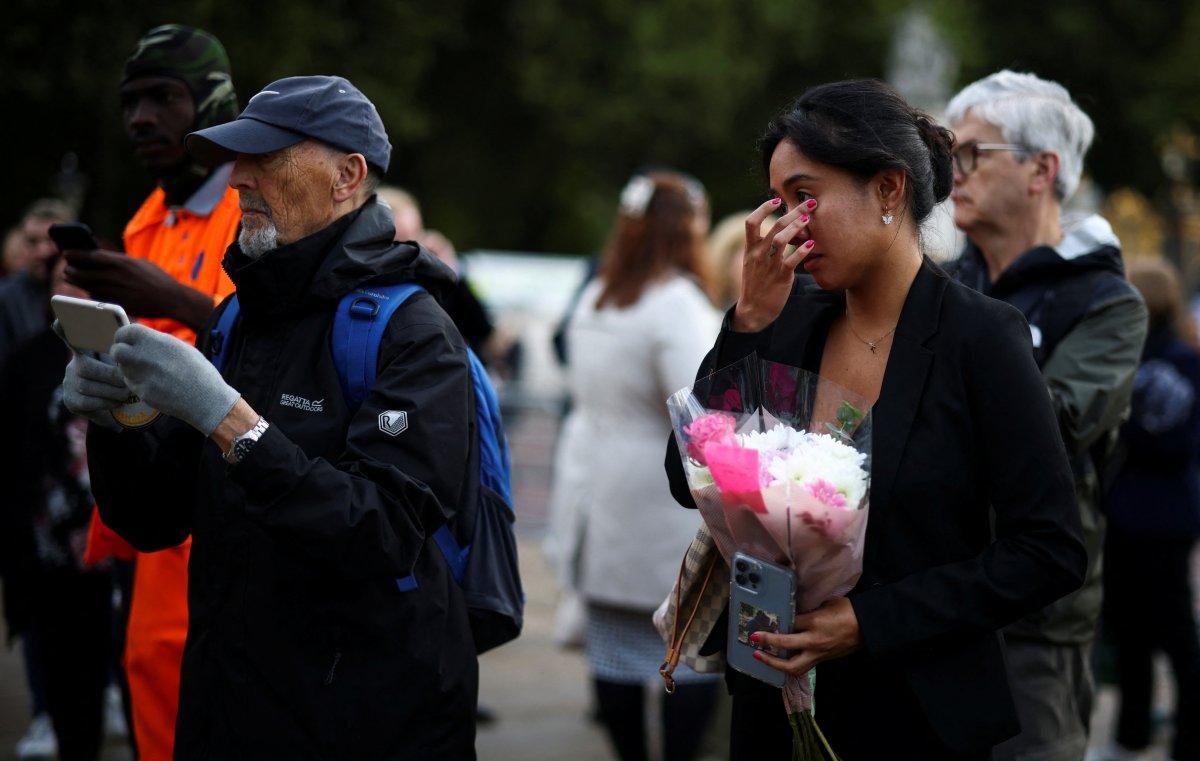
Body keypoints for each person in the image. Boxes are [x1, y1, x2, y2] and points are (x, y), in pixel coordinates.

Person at [664, 79, 1088, 760]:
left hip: (912, 712)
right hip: (770, 702)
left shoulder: (980, 338)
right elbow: (689, 479)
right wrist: (746, 323)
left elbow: (1049, 550)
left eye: (807, 197)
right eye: (778, 202)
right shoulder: (784, 315)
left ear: (888, 190)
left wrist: (869, 620)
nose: (789, 223)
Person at [64, 74, 478, 758]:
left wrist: (231, 423)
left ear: (347, 175)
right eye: (237, 157)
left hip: (364, 718)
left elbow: (380, 533)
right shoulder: (239, 315)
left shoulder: (413, 329)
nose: (238, 179)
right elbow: (153, 518)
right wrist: (117, 423)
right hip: (227, 702)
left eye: (266, 157)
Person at [944, 70, 1149, 760]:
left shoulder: (1106, 302)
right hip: (928, 595)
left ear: (1042, 169)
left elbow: (1048, 434)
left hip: (1033, 619)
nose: (953, 174)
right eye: (948, 154)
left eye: (972, 153)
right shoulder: (952, 281)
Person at [58, 25, 242, 760]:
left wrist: (173, 295)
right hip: (144, 511)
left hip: (220, 506)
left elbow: (281, 352)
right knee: (148, 688)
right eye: (130, 101)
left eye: (164, 97)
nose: (141, 118)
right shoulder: (145, 218)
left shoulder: (251, 209)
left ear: (215, 101)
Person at [547, 170, 721, 761]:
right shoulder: (676, 303)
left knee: (616, 653)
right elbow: (701, 407)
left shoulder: (599, 297)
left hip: (596, 484)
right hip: (659, 497)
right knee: (687, 653)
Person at [0, 258, 113, 760]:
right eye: (62, 278)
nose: (72, 288)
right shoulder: (29, 357)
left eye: (84, 279)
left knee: (99, 661)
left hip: (113, 540)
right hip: (46, 541)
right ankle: (58, 726)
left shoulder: (127, 351)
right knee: (52, 651)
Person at [1092, 260, 1200, 761]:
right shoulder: (1144, 356)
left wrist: (1129, 428)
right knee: (1136, 631)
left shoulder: (1175, 360)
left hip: (1153, 517)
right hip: (1147, 516)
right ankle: (1138, 733)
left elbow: (1174, 439)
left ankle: (1171, 735)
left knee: (1170, 632)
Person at [0, 199, 73, 374]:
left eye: (51, 240)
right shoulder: (5, 299)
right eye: (33, 242)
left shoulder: (86, 293)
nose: (42, 252)